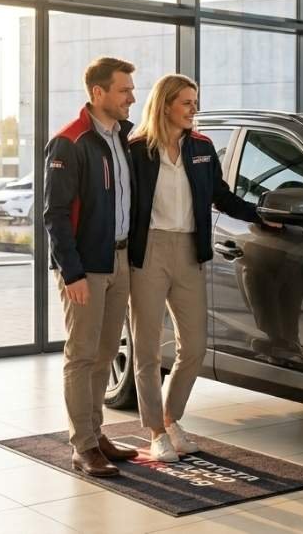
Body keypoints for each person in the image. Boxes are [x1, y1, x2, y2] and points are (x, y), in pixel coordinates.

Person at [126, 74, 274, 462]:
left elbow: (221, 196)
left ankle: (171, 417)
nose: (194, 109)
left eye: (195, 102)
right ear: (165, 105)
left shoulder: (203, 147)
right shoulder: (137, 149)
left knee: (192, 346)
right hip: (149, 251)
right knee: (145, 348)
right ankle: (156, 431)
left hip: (190, 250)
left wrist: (260, 214)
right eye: (186, 103)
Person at [44, 56, 140, 477]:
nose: (131, 98)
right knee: (81, 356)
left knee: (104, 355)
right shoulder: (70, 141)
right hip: (86, 266)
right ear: (98, 93)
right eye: (124, 90)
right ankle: (82, 446)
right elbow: (55, 215)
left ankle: (96, 433)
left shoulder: (124, 137)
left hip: (119, 259)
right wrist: (72, 273)